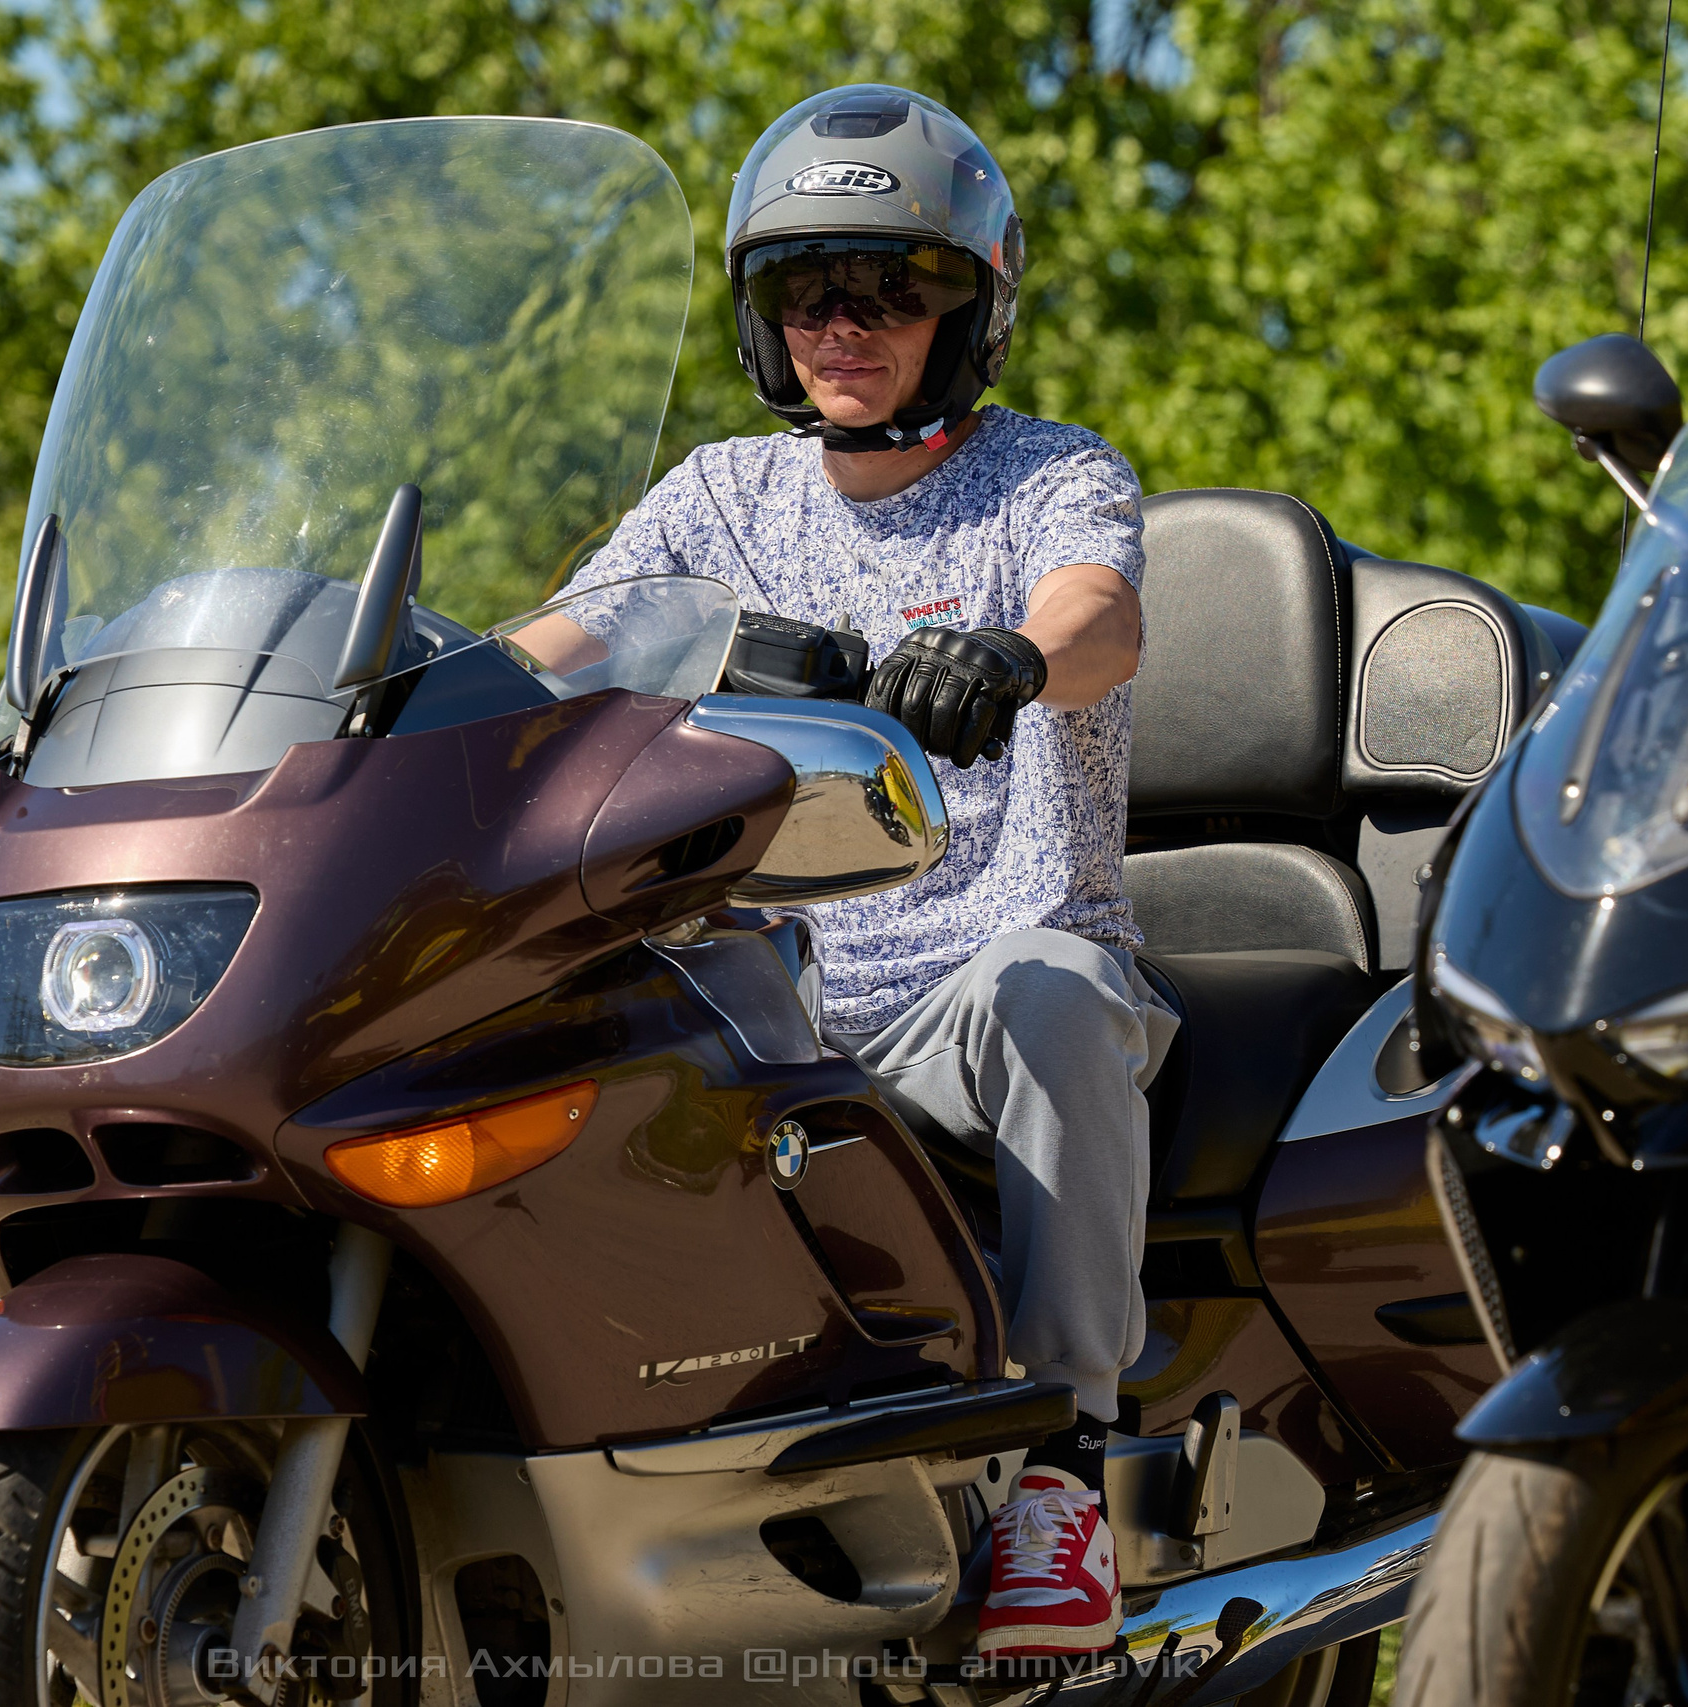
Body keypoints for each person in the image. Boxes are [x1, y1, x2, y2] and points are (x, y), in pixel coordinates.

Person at [546, 84, 1172, 1663]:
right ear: (765, 320)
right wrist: (396, 687)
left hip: (984, 991)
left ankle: (1063, 1476)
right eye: (808, 291)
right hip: (777, 1002)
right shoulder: (719, 500)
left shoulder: (1050, 476)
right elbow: (555, 646)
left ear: (974, 307)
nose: (849, 324)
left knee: (1052, 992)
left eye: (897, 287)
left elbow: (1106, 617)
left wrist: (1016, 657)